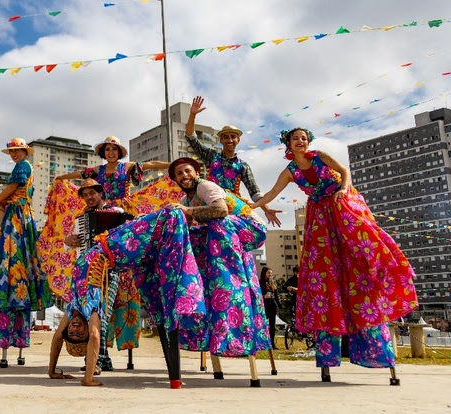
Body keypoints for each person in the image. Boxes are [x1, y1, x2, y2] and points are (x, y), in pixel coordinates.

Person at [251, 128, 418, 378]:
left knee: (363, 247)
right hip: (320, 214)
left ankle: (383, 267)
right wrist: (252, 206)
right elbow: (272, 193)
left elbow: (344, 171)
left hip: (342, 203)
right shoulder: (290, 171)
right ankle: (328, 359)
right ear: (288, 143)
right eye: (295, 138)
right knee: (324, 268)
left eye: (304, 138)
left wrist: (343, 190)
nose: (300, 141)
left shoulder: (319, 156)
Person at [48, 205, 205, 387]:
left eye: (71, 332)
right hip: (118, 252)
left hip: (110, 243)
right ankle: (176, 218)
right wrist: (88, 378)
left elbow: (57, 337)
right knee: (164, 223)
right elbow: (95, 336)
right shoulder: (91, 309)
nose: (75, 328)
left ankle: (175, 217)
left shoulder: (72, 309)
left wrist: (52, 371)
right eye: (80, 334)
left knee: (159, 224)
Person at [169, 157, 271, 358]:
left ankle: (227, 280)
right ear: (176, 180)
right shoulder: (184, 201)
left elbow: (221, 210)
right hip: (224, 235)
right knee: (189, 238)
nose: (184, 175)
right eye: (179, 174)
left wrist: (188, 212)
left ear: (197, 173)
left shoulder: (205, 187)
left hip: (250, 228)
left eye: (188, 171)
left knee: (218, 223)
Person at [0, 138, 53, 368]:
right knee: (16, 259)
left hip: (18, 217)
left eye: (17, 151)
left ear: (24, 151)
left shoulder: (23, 166)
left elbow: (12, 189)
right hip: (18, 214)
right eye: (11, 151)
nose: (14, 154)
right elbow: (13, 192)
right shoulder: (23, 167)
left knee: (12, 256)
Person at [60, 179, 132, 373]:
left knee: (103, 313)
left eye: (92, 193)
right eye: (85, 195)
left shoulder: (117, 213)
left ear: (101, 193)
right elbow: (68, 243)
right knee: (90, 314)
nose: (89, 197)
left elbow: (126, 239)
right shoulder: (81, 219)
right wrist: (69, 240)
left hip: (110, 270)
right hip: (88, 271)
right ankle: (99, 358)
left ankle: (97, 359)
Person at [185, 96, 281, 225]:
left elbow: (254, 192)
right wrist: (192, 115)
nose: (229, 140)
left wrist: (267, 210)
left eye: (233, 137)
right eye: (225, 137)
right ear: (221, 140)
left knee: (258, 225)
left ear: (238, 140)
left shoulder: (243, 166)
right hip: (210, 203)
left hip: (232, 206)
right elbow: (191, 138)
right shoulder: (211, 156)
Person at [54, 136, 172, 216]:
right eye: (108, 149)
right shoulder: (98, 170)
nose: (111, 152)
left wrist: (172, 165)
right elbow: (80, 173)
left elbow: (151, 164)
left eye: (114, 149)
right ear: (104, 152)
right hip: (102, 209)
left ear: (118, 152)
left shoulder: (126, 166)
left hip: (124, 209)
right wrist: (62, 178)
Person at [260, 267, 281, 349]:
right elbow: (256, 294)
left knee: (272, 326)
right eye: (268, 272)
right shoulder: (259, 282)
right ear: (264, 273)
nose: (270, 274)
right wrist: (263, 296)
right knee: (262, 325)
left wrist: (279, 304)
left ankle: (272, 344)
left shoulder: (272, 282)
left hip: (272, 305)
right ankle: (262, 343)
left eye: (271, 273)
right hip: (263, 306)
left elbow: (276, 294)